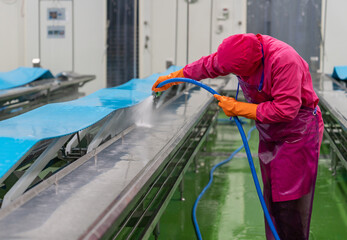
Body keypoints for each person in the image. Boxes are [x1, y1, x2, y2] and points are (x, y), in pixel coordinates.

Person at [152, 33, 324, 240]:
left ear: (257, 61)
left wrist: (239, 108)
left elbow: (286, 110)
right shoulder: (234, 54)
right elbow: (208, 65)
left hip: (298, 132)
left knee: (290, 200)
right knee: (272, 195)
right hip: (271, 130)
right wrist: (174, 77)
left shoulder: (284, 60)